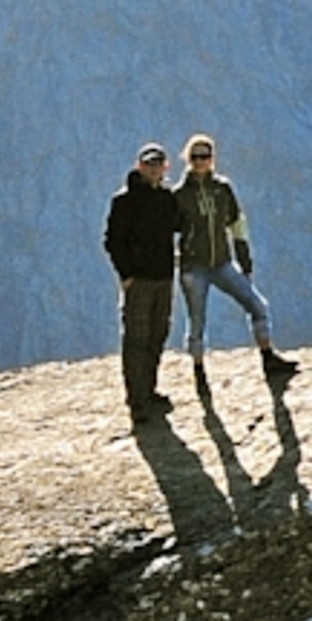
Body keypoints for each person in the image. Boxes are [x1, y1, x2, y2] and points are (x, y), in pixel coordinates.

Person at [174, 133, 298, 385]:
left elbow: (236, 223)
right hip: (193, 266)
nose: (200, 161)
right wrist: (176, 258)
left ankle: (268, 356)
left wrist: (244, 258)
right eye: (195, 156)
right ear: (188, 159)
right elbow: (165, 230)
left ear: (212, 159)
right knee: (196, 320)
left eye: (205, 156)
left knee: (257, 305)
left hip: (222, 263)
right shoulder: (178, 195)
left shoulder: (223, 189)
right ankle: (198, 371)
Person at [102, 143, 183, 419]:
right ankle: (137, 401)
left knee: (158, 334)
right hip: (139, 280)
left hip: (164, 277)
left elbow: (180, 225)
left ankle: (148, 390)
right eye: (148, 164)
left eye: (158, 164)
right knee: (137, 339)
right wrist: (125, 274)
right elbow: (113, 241)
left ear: (165, 167)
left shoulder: (167, 198)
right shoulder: (124, 201)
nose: (153, 169)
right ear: (139, 166)